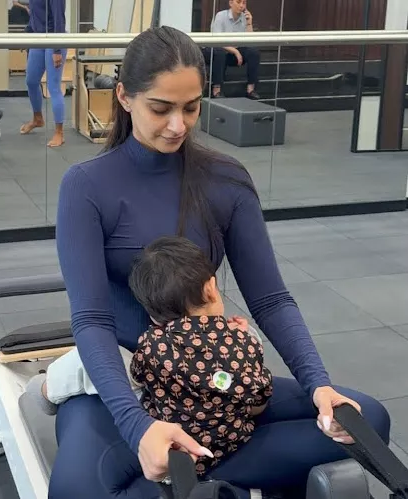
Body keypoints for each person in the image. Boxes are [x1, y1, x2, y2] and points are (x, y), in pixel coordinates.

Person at [52, 25, 390, 499]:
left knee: (366, 419)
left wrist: (319, 387)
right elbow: (91, 319)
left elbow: (270, 299)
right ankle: (213, 477)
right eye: (161, 109)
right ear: (125, 97)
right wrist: (137, 426)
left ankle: (202, 479)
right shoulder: (86, 186)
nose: (178, 125)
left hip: (213, 382)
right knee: (74, 491)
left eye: (191, 107)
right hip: (130, 381)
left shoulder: (224, 179)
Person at [30, 236, 273, 479]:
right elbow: (257, 405)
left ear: (153, 316)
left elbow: (137, 375)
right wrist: (243, 337)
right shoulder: (246, 343)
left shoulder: (153, 345)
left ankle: (46, 389)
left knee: (102, 361)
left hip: (168, 452)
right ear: (210, 288)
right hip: (228, 447)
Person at [20, 0, 67, 148]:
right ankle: (37, 119)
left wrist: (57, 49)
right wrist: (27, 35)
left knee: (53, 86)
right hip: (38, 38)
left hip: (54, 39)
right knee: (31, 81)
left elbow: (59, 19)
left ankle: (59, 132)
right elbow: (35, 15)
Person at [203, 0, 260, 99]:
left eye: (244, 3)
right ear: (231, 3)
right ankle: (216, 90)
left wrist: (249, 24)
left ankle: (251, 89)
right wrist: (235, 51)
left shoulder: (244, 18)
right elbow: (217, 40)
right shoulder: (221, 16)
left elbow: (250, 41)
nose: (241, 6)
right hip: (219, 51)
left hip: (234, 54)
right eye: (238, 2)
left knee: (253, 52)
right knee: (220, 52)